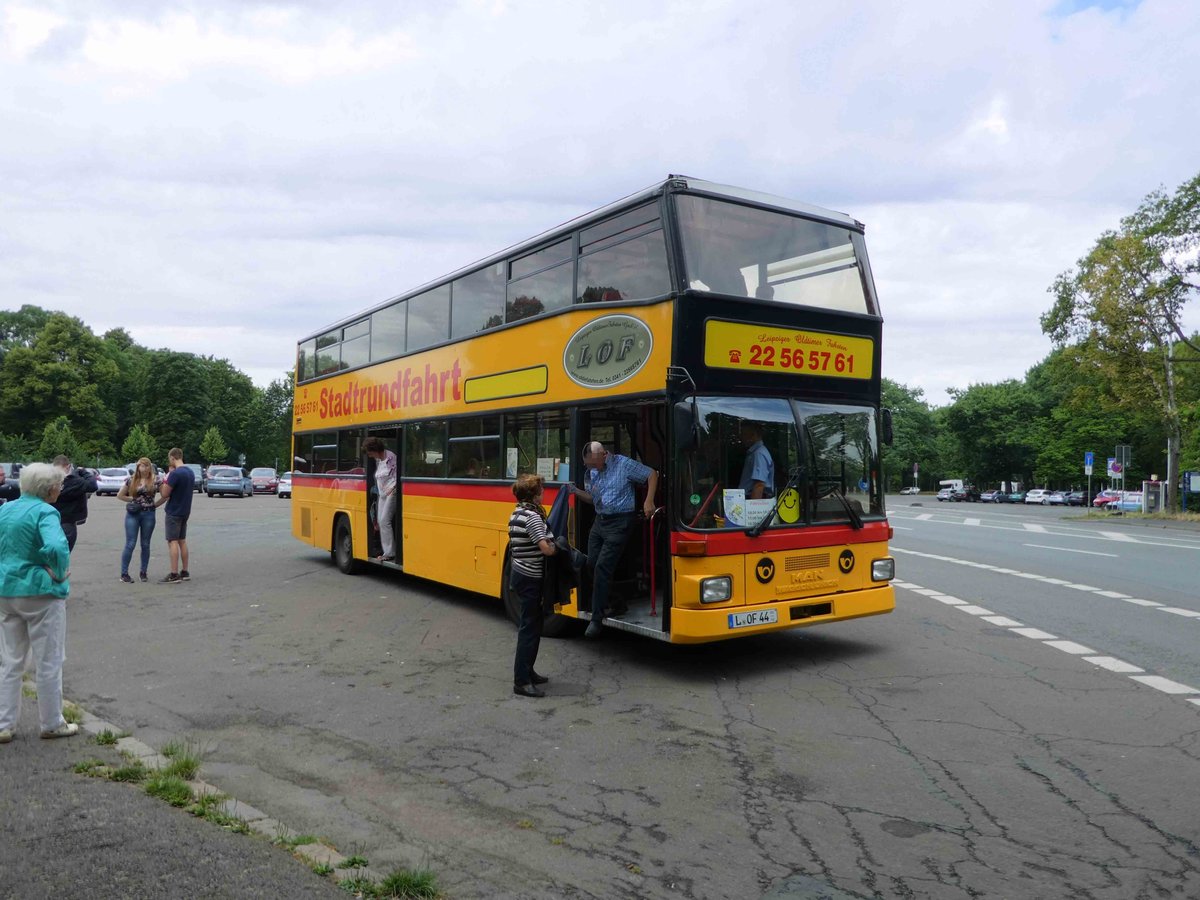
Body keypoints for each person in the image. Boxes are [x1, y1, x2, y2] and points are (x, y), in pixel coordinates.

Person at [0, 462, 78, 744]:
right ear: (49, 488)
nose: (60, 488)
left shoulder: (5, 509)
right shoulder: (46, 511)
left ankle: (4, 724)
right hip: (41, 593)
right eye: (58, 484)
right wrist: (57, 572)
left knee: (10, 661)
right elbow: (57, 546)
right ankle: (51, 722)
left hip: (6, 591)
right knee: (49, 659)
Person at [571, 441, 658, 638]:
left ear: (604, 455)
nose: (590, 468)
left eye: (593, 464)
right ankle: (617, 603)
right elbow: (593, 498)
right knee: (591, 564)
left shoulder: (623, 464)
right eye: (588, 465)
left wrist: (648, 500)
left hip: (620, 522)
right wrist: (576, 492)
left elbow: (652, 474)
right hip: (600, 521)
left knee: (602, 566)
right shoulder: (593, 471)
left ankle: (596, 618)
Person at [508, 474, 557, 698]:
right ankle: (522, 681)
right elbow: (545, 549)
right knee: (529, 629)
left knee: (533, 626)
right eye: (541, 489)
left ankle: (529, 670)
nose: (543, 492)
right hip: (530, 578)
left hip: (519, 574)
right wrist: (558, 547)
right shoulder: (533, 518)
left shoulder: (516, 513)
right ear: (534, 494)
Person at [116, 457, 161, 583]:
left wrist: (155, 504)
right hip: (133, 514)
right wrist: (133, 501)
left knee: (145, 544)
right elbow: (120, 495)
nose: (144, 468)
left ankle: (143, 572)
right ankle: (124, 573)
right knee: (130, 543)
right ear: (138, 467)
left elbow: (165, 495)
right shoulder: (131, 480)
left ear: (150, 467)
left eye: (147, 466)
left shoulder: (156, 480)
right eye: (142, 466)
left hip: (149, 514)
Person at [157, 448, 195, 584]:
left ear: (173, 458)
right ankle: (185, 571)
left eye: (169, 459)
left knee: (172, 541)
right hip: (185, 510)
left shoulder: (175, 474)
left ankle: (174, 573)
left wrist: (161, 483)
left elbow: (164, 494)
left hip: (174, 511)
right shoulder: (190, 472)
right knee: (182, 541)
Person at [51, 455, 97, 552]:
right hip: (67, 522)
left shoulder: (49, 481)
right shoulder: (73, 481)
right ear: (68, 466)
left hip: (50, 521)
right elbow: (93, 485)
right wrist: (83, 472)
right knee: (64, 556)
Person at [364, 437, 398, 562]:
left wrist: (393, 488)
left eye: (370, 452)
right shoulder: (379, 460)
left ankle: (389, 553)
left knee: (384, 520)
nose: (369, 455)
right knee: (379, 520)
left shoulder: (391, 458)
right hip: (382, 494)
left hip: (391, 492)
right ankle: (386, 550)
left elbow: (396, 475)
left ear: (375, 449)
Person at [738, 421, 775, 500]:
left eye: (744, 434)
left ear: (753, 435)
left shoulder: (759, 454)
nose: (741, 437)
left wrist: (753, 508)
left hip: (753, 500)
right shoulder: (755, 452)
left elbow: (759, 485)